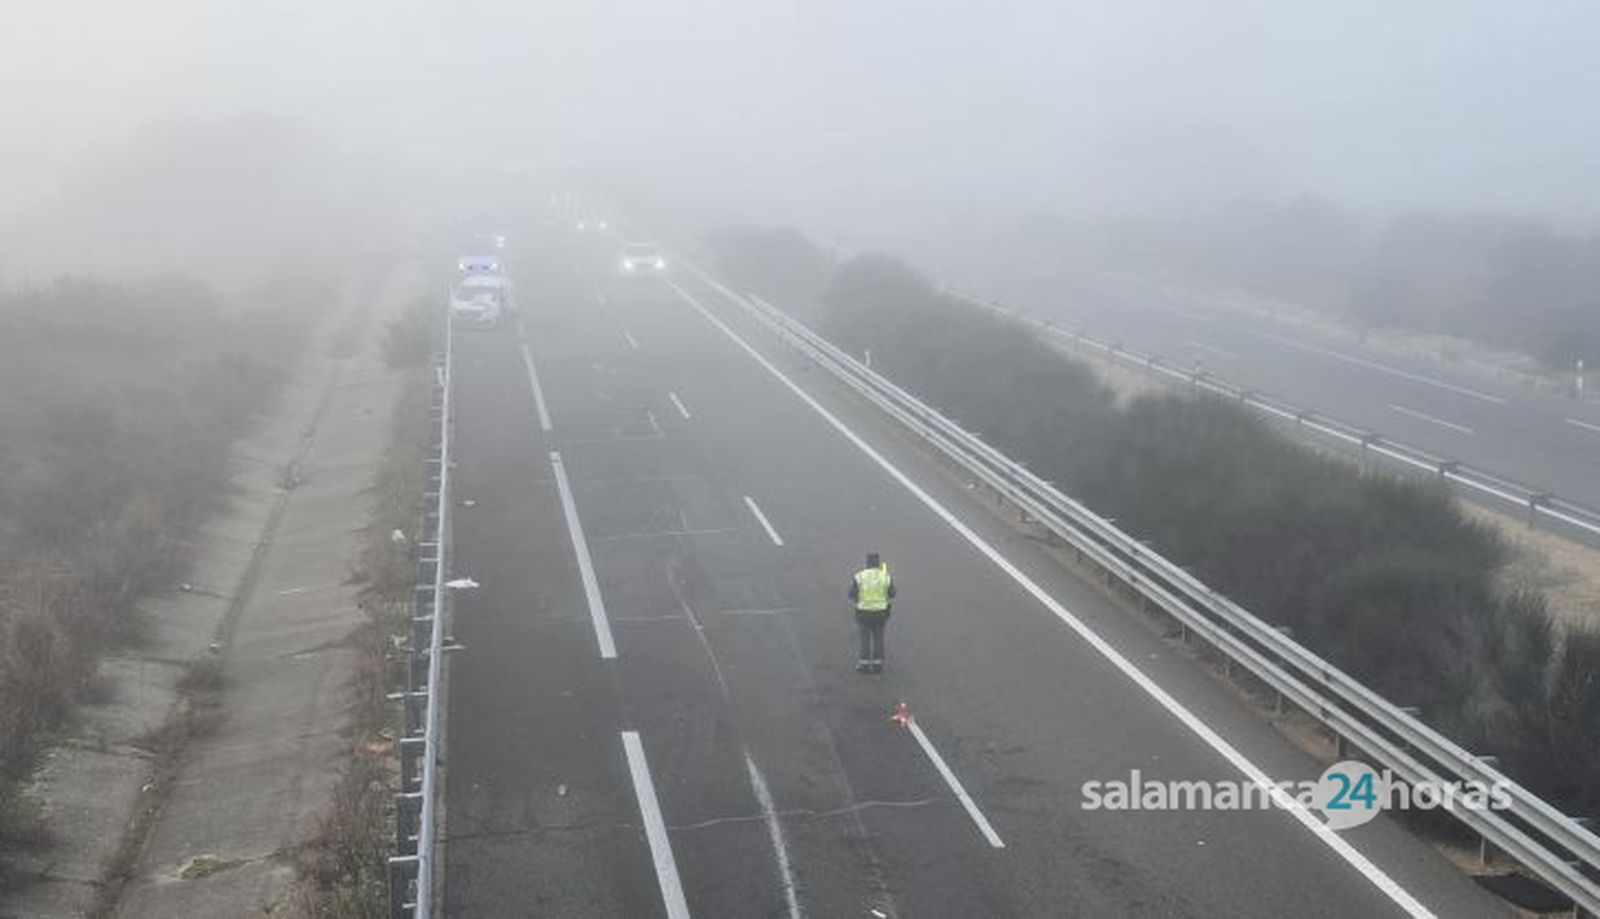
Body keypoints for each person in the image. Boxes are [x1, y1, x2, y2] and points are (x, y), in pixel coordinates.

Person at [848, 552, 896, 673]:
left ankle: (864, 663)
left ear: (866, 563)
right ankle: (878, 663)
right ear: (879, 564)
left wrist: (859, 600)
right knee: (878, 636)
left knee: (864, 637)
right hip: (881, 612)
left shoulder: (860, 576)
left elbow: (852, 594)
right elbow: (892, 593)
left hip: (863, 612)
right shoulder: (885, 576)